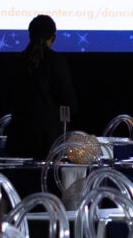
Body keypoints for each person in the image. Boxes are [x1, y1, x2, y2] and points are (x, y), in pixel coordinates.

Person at [5, 15, 80, 160]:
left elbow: (7, 99)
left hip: (18, 140)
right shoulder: (57, 62)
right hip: (49, 142)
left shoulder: (15, 62)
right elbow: (70, 103)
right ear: (54, 37)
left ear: (29, 35)